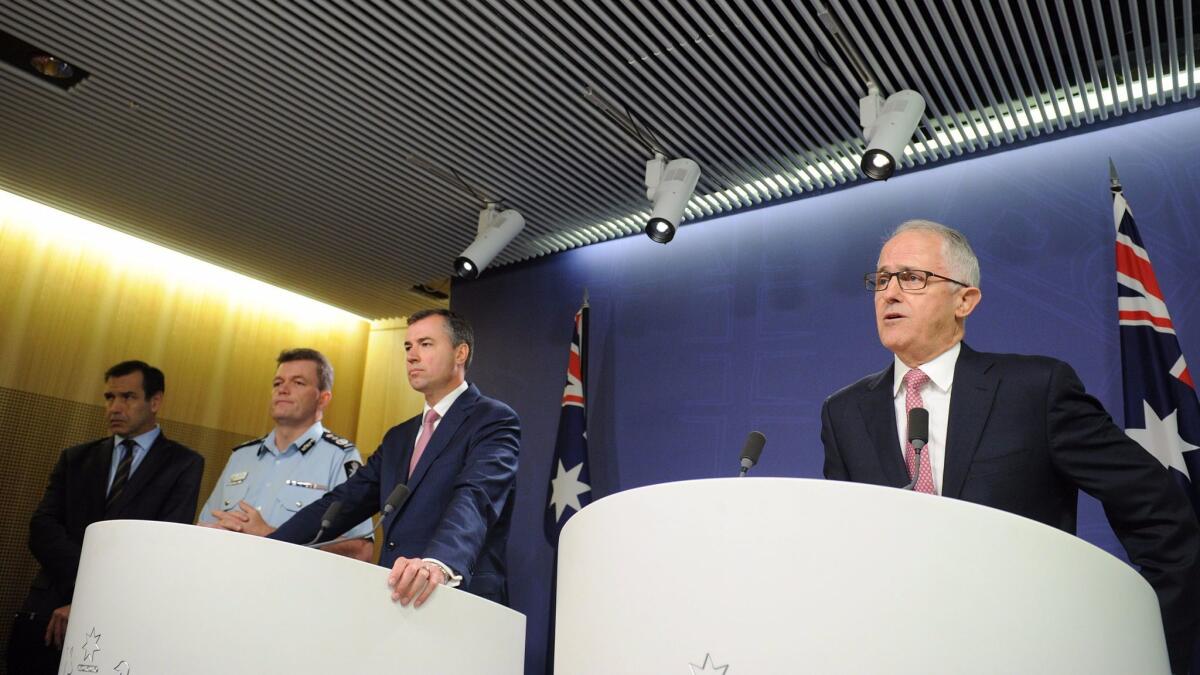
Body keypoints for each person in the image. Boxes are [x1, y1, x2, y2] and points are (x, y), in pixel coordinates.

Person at [820, 219, 1200, 673]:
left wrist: (1149, 648)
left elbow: (1162, 518)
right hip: (893, 655)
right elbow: (844, 550)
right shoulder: (844, 413)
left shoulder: (1036, 390)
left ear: (966, 300)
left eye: (913, 277)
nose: (890, 293)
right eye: (881, 279)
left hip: (1022, 652)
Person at [269, 309, 519, 607]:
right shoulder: (398, 437)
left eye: (425, 344)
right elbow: (342, 502)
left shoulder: (492, 420)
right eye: (408, 347)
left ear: (460, 353)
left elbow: (476, 499)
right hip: (395, 597)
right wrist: (267, 546)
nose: (412, 356)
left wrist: (438, 562)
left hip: (457, 597)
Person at [7, 361, 204, 675]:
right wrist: (81, 589)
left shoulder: (184, 464)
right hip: (50, 606)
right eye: (109, 397)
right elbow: (42, 528)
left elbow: (162, 545)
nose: (114, 407)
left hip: (123, 614)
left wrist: (89, 602)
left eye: (127, 397)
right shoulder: (76, 458)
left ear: (155, 402)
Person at [198, 348, 373, 560]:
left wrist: (272, 535)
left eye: (298, 382)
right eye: (277, 383)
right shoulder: (241, 456)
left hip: (292, 586)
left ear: (323, 399)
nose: (283, 389)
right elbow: (202, 525)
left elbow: (361, 549)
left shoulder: (340, 457)